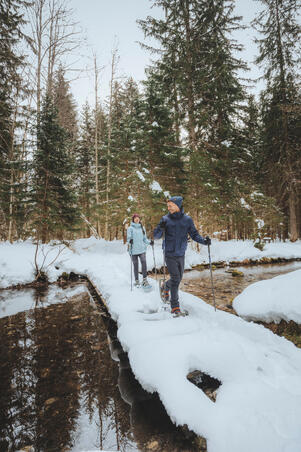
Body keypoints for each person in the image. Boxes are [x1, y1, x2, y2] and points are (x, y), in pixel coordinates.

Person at [153, 196, 211, 316]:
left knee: (178, 278)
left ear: (177, 205)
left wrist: (204, 241)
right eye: (167, 206)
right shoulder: (165, 219)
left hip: (181, 253)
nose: (168, 208)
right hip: (169, 253)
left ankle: (165, 286)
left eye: (170, 205)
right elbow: (157, 236)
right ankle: (175, 307)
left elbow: (194, 235)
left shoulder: (187, 220)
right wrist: (160, 227)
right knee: (175, 278)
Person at [127, 213, 154, 287]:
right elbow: (128, 239)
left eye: (138, 217)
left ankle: (145, 280)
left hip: (141, 249)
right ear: (133, 219)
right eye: (135, 218)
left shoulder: (142, 228)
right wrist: (130, 241)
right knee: (136, 265)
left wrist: (149, 242)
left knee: (144, 263)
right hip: (133, 250)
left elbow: (144, 239)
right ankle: (137, 281)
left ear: (139, 219)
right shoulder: (130, 228)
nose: (137, 219)